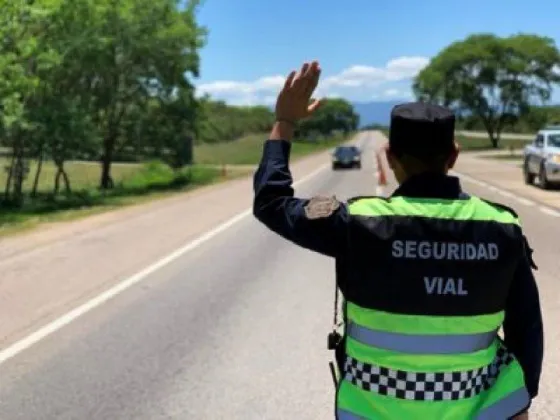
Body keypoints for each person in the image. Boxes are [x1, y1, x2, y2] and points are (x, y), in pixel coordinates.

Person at [252, 60, 544, 420]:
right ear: (453, 155)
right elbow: (526, 328)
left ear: (389, 159)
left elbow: (272, 203)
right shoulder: (501, 227)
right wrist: (521, 399)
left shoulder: (358, 224)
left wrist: (285, 122)